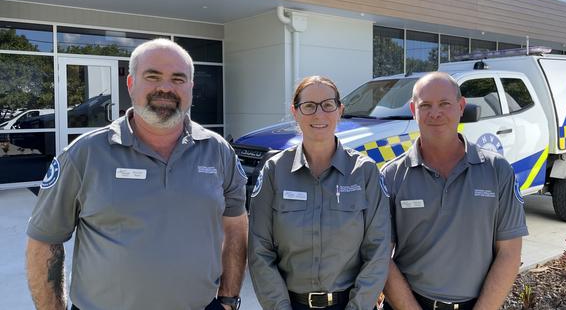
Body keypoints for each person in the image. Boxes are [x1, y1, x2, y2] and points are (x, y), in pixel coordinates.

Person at [25, 38, 248, 310]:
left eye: (178, 79)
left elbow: (236, 226)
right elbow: (44, 241)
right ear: (131, 84)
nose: (165, 87)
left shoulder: (218, 152)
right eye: (152, 76)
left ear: (191, 87)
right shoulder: (84, 154)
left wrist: (228, 297)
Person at [382, 72, 528, 310]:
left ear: (461, 107)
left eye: (445, 104)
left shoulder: (497, 170)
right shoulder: (392, 176)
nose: (435, 113)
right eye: (425, 105)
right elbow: (380, 257)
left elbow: (509, 253)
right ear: (413, 110)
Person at [248, 76, 391, 310]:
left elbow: (378, 250)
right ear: (295, 112)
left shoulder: (364, 172)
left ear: (340, 110)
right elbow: (259, 250)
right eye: (309, 106)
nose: (319, 114)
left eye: (327, 105)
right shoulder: (275, 171)